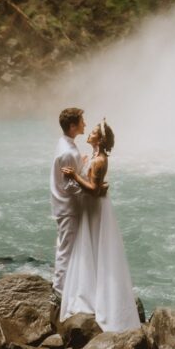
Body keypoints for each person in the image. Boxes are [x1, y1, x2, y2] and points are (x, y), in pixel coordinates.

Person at [60, 118, 140, 332]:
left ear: (100, 139)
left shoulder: (99, 160)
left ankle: (97, 300)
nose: (90, 132)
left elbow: (94, 189)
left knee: (96, 248)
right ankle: (91, 295)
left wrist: (75, 175)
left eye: (94, 131)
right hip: (92, 208)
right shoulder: (95, 157)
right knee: (91, 248)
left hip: (95, 209)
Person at [50, 106, 86, 298]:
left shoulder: (65, 142)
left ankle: (63, 284)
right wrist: (91, 190)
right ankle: (59, 292)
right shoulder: (67, 152)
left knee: (63, 243)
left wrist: (81, 166)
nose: (85, 124)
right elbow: (70, 186)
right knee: (66, 249)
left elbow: (72, 173)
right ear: (73, 126)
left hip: (61, 204)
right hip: (68, 206)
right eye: (82, 121)